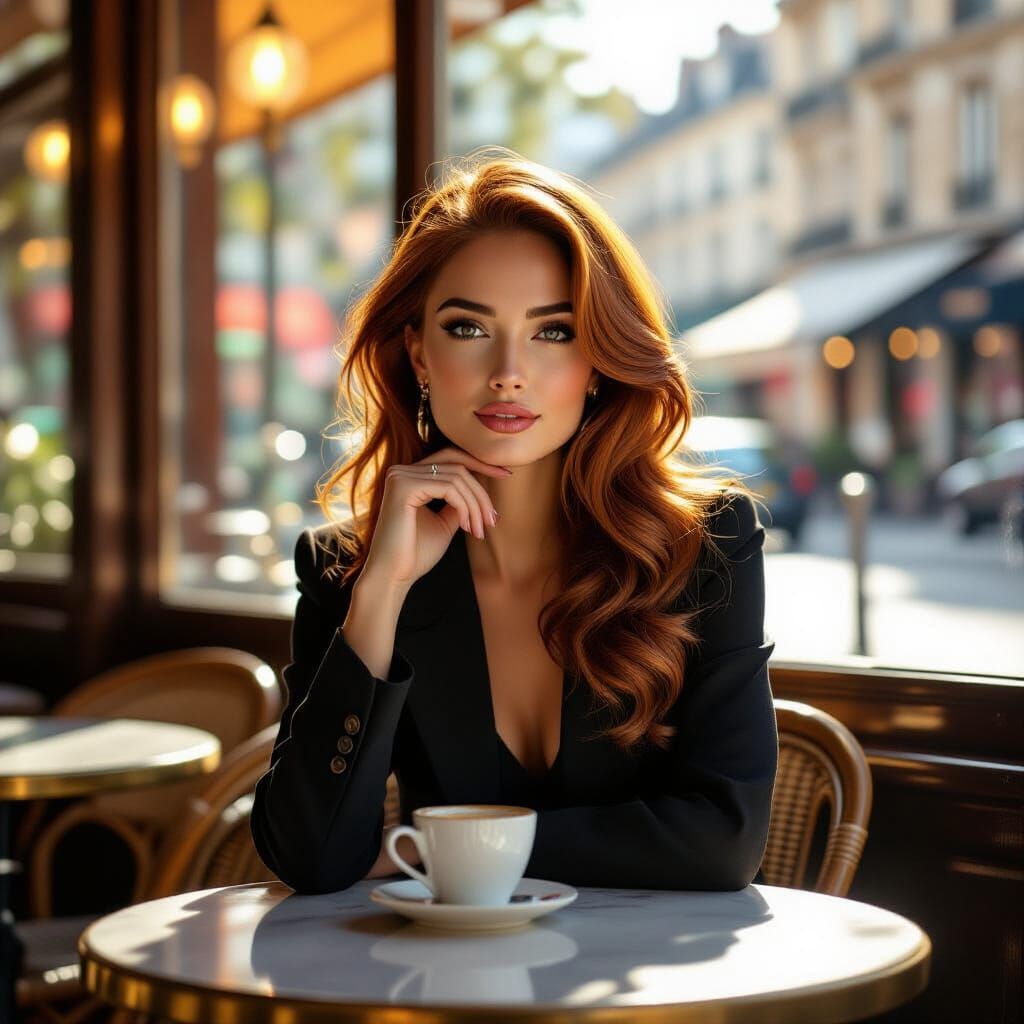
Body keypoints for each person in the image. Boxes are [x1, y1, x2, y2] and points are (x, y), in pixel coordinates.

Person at [250, 148, 778, 896]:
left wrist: (437, 849)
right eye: (468, 329)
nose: (508, 371)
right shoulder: (349, 565)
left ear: (598, 358)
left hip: (649, 993)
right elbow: (311, 856)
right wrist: (381, 592)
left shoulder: (705, 545)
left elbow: (724, 840)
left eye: (552, 331)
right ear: (419, 355)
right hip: (436, 990)